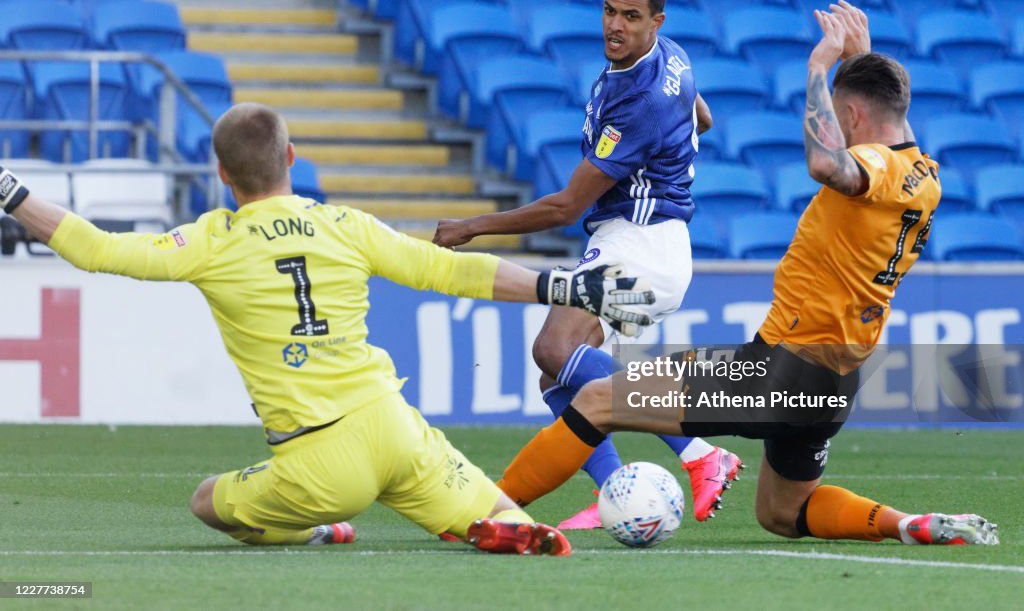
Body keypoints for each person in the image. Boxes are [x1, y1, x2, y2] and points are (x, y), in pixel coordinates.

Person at [0, 102, 660, 557]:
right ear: (291, 155)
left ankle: (315, 531)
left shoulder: (210, 241)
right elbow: (445, 270)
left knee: (209, 501)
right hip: (398, 431)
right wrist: (559, 285)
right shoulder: (345, 224)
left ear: (223, 174)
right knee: (506, 519)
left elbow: (92, 247)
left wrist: (11, 192)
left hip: (317, 460)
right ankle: (497, 525)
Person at [487, 2, 1001, 546]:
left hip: (778, 371)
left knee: (596, 402)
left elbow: (828, 163)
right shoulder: (926, 176)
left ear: (850, 117)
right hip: (835, 383)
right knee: (782, 513)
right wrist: (862, 60)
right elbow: (882, 115)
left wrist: (817, 69)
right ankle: (907, 523)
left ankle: (485, 509)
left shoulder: (872, 168)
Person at [433, 0, 742, 529]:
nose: (615, 26)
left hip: (640, 242)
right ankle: (617, 493)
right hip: (652, 240)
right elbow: (705, 117)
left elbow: (565, 207)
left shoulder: (641, 101)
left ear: (656, 20)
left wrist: (470, 226)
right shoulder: (671, 53)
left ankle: (701, 451)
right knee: (558, 375)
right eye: (609, 10)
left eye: (630, 17)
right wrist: (672, 151)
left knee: (553, 350)